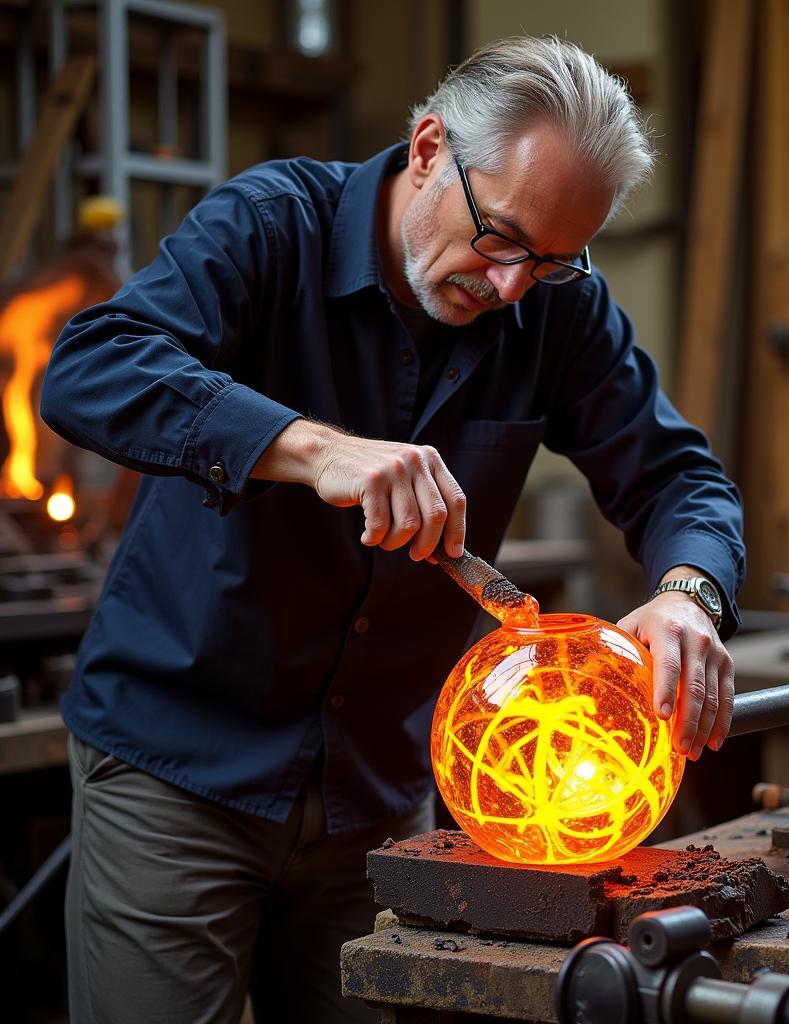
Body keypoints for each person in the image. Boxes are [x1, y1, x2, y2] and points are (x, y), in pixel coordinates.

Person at [41, 35, 744, 1024]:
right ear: (426, 150)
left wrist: (688, 594)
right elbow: (89, 368)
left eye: (551, 259)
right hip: (176, 771)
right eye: (500, 236)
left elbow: (677, 475)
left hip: (378, 794)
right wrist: (306, 445)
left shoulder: (556, 308)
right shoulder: (268, 226)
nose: (510, 286)